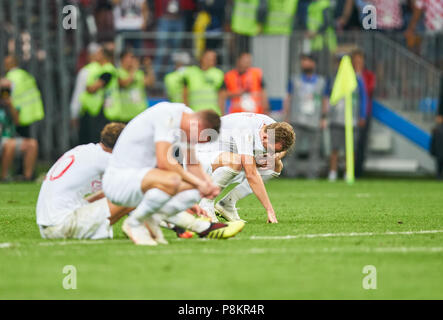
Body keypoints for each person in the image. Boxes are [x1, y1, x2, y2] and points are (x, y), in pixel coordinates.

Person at [102, 102, 245, 245]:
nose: (197, 144)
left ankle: (151, 220)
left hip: (141, 181)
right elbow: (164, 162)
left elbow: (192, 162)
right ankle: (134, 223)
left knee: (195, 191)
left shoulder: (188, 118)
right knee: (175, 180)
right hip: (119, 181)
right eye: (201, 140)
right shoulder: (167, 115)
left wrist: (207, 184)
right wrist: (199, 183)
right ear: (200, 127)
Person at [197, 113, 295, 223]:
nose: (271, 152)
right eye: (271, 148)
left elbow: (282, 149)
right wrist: (270, 210)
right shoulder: (245, 130)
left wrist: (275, 156)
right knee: (237, 162)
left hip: (227, 155)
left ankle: (227, 204)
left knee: (276, 166)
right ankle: (206, 204)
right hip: (201, 152)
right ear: (265, 137)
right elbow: (251, 174)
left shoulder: (273, 127)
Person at [283, 54, 328, 178]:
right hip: (296, 118)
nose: (304, 64)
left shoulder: (321, 81)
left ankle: (312, 174)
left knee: (314, 150)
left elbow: (325, 100)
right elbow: (288, 98)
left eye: (307, 61)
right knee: (292, 148)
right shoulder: (295, 80)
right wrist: (286, 116)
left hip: (314, 120)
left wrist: (324, 117)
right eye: (303, 62)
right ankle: (290, 173)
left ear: (313, 64)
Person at [327, 54, 367, 181]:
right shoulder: (332, 79)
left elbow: (363, 99)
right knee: (334, 148)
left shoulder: (357, 79)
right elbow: (327, 98)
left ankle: (348, 172)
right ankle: (332, 172)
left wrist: (362, 115)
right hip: (336, 119)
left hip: (352, 120)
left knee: (351, 149)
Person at [80, 48, 122, 144]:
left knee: (103, 140)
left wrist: (88, 87)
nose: (95, 55)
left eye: (98, 53)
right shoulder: (101, 69)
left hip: (107, 111)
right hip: (100, 109)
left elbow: (93, 88)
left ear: (103, 55)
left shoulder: (108, 70)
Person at [0, 81, 38, 182]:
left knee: (32, 144)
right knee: (10, 144)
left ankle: (27, 177)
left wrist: (9, 104)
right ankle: (4, 177)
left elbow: (17, 121)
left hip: (9, 138)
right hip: (3, 140)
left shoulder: (12, 103)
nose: (4, 91)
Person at [3, 55, 45, 138]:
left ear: (7, 65)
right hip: (33, 112)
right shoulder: (25, 74)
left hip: (18, 114)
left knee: (21, 142)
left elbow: (7, 99)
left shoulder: (9, 79)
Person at [352, 49, 375, 178]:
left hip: (364, 114)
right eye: (355, 59)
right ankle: (349, 169)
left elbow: (369, 89)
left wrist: (359, 75)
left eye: (360, 59)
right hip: (350, 115)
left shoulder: (369, 75)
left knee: (361, 143)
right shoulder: (348, 74)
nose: (358, 62)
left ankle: (359, 171)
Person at [70, 43, 103, 132]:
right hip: (100, 113)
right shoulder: (105, 69)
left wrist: (74, 114)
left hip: (89, 113)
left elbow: (78, 94)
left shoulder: (85, 71)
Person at [183, 50, 224, 115]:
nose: (210, 60)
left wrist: (222, 114)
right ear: (202, 58)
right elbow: (185, 95)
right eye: (208, 58)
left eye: (213, 59)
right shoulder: (190, 72)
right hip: (195, 114)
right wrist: (187, 112)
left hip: (213, 115)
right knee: (194, 126)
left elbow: (221, 97)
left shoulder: (218, 74)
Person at [117, 49, 155, 122]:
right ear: (122, 59)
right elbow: (125, 84)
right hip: (125, 115)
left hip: (140, 114)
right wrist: (134, 69)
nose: (133, 60)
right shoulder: (118, 72)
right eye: (131, 57)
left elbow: (150, 84)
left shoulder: (138, 73)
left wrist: (148, 67)